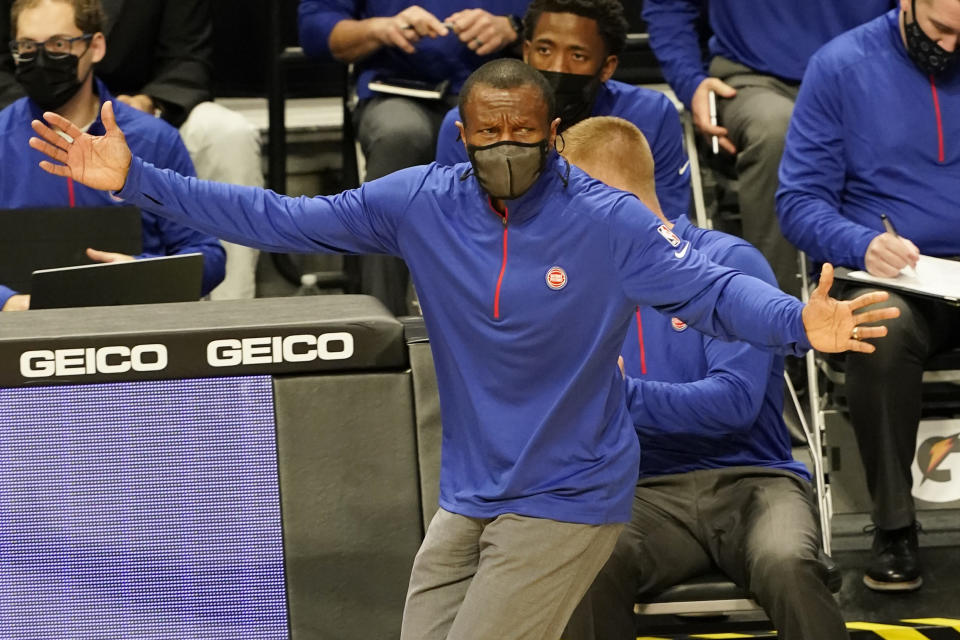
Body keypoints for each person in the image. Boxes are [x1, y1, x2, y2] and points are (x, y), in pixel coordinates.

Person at [28, 59, 896, 639]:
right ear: (463, 135)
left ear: (552, 134)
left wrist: (797, 321)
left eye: (525, 134)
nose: (508, 149)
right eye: (490, 136)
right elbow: (278, 217)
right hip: (470, 495)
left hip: (568, 497)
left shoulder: (608, 222)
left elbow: (714, 291)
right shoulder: (420, 201)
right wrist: (137, 179)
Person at [555, 116, 847, 640]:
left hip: (752, 482)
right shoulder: (573, 284)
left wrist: (617, 396)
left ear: (608, 195)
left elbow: (731, 404)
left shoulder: (727, 262)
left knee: (788, 561)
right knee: (582, 564)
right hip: (636, 491)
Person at [777, 0, 960, 592]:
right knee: (879, 324)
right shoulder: (840, 66)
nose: (952, 46)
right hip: (890, 274)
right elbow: (798, 202)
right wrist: (859, 244)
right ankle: (894, 526)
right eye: (941, 30)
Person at [0, 0, 263, 301]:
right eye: (27, 47)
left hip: (138, 326)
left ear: (96, 47)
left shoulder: (154, 140)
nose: (42, 59)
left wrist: (144, 274)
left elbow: (206, 254)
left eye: (59, 44)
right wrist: (7, 301)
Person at [641, 0, 893, 296]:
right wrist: (690, 82)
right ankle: (776, 319)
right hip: (754, 76)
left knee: (899, 129)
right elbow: (669, 6)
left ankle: (901, 295)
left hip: (867, 71)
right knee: (774, 131)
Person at [298, 0, 530, 315]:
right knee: (400, 136)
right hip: (395, 91)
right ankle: (383, 327)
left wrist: (515, 28)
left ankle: (501, 317)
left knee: (490, 134)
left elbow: (579, 19)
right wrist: (379, 28)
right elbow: (314, 29)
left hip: (507, 93)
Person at [435, 0, 690, 220]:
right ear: (526, 51)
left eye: (577, 56)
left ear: (607, 67)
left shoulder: (651, 114)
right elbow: (454, 231)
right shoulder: (472, 121)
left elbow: (667, 225)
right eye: (544, 50)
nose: (557, 67)